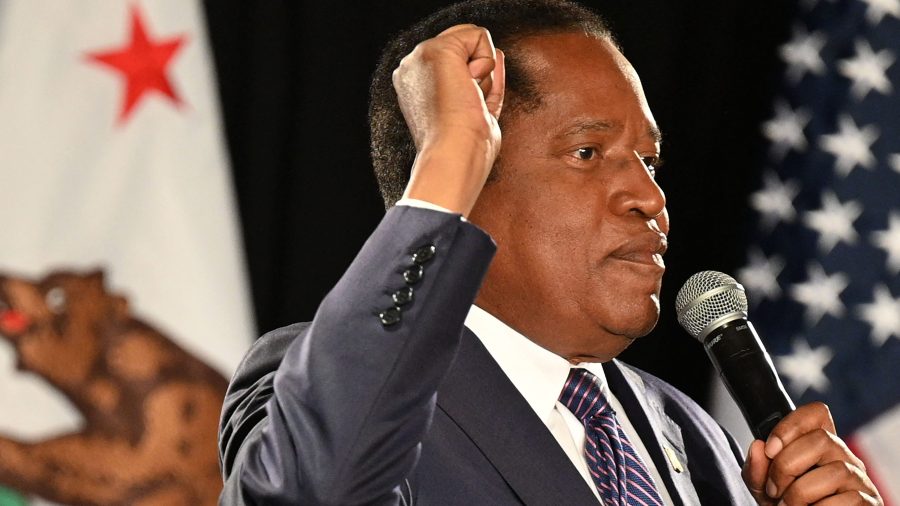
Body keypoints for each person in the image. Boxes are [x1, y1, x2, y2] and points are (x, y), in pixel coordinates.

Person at [218, 1, 883, 504]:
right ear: (469, 184)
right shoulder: (326, 389)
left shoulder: (695, 435)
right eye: (588, 154)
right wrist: (449, 152)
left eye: (649, 162)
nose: (649, 198)